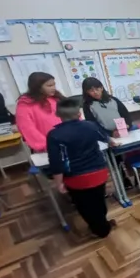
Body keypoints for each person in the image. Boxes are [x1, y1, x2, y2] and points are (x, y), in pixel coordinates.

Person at [47, 98, 118, 238]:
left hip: (76, 177)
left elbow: (57, 162)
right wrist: (112, 142)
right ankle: (102, 224)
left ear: (57, 114)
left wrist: (59, 182)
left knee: (84, 205)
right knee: (98, 200)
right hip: (98, 172)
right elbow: (106, 138)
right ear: (79, 113)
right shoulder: (91, 126)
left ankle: (100, 229)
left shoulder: (54, 135)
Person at [16, 72, 65, 152]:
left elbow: (73, 116)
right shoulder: (25, 104)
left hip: (68, 143)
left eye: (54, 85)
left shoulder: (56, 98)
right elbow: (28, 129)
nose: (53, 88)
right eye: (49, 86)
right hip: (47, 148)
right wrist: (48, 145)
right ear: (38, 87)